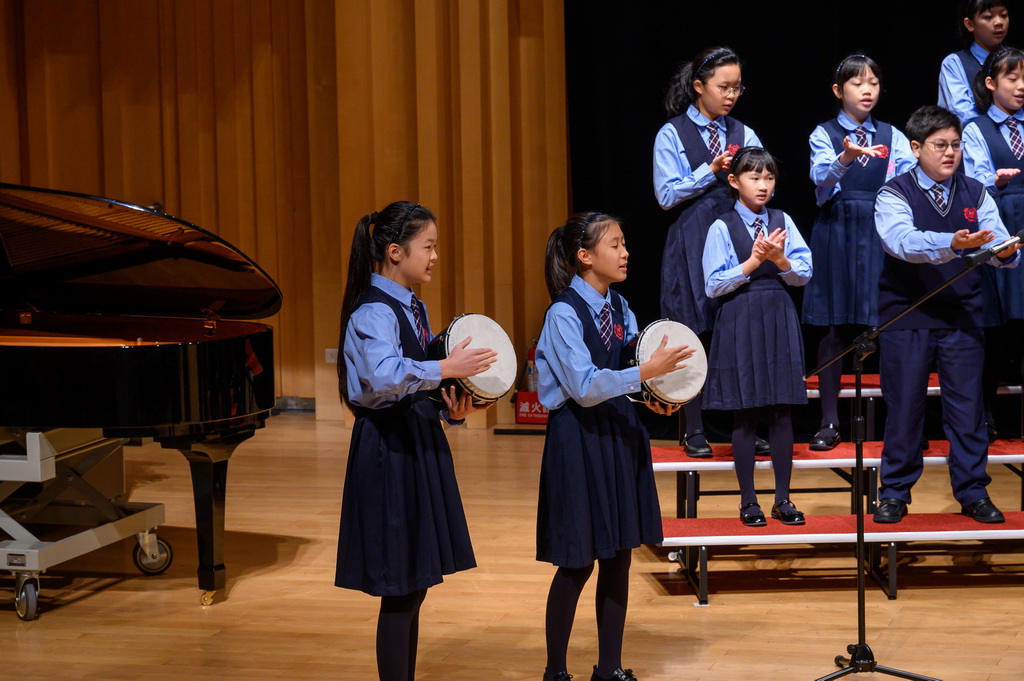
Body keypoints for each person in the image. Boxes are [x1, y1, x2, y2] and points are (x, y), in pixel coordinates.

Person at [334, 201, 497, 681]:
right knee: (399, 588)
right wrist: (445, 367)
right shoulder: (372, 310)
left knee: (416, 583)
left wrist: (451, 411)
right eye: (428, 246)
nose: (434, 256)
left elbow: (414, 386)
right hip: (388, 451)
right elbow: (383, 377)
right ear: (394, 251)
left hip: (417, 443)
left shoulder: (414, 305)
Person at [536, 212, 693, 681]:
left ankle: (609, 669)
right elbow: (585, 387)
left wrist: (653, 397)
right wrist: (644, 373)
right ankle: (555, 672)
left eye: (624, 244)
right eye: (615, 245)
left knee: (619, 556)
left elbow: (628, 371)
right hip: (578, 440)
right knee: (576, 562)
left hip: (620, 434)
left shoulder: (621, 308)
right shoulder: (563, 314)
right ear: (584, 256)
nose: (626, 253)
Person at [872, 106, 1021, 525]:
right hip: (908, 314)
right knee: (905, 410)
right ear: (916, 148)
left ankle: (973, 491)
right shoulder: (893, 193)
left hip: (963, 315)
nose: (950, 153)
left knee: (968, 411)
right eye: (940, 145)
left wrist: (1004, 253)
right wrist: (951, 243)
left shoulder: (975, 191)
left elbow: (995, 242)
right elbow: (901, 241)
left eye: (955, 145)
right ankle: (894, 492)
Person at [654, 46, 765, 458]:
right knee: (691, 330)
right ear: (699, 86)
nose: (731, 95)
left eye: (737, 87)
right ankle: (694, 428)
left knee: (738, 334)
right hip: (692, 238)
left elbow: (761, 179)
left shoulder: (744, 133)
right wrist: (711, 170)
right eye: (724, 87)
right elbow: (666, 195)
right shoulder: (672, 133)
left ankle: (746, 428)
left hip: (735, 236)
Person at [803, 54, 916, 450]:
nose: (867, 90)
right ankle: (829, 421)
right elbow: (820, 178)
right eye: (857, 83)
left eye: (873, 83)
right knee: (834, 325)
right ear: (838, 90)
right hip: (837, 229)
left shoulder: (891, 134)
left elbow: (906, 178)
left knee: (886, 324)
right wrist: (847, 157)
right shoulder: (824, 133)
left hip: (881, 228)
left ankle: (900, 423)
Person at [702, 147, 813, 527]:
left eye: (769, 177)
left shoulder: (783, 220)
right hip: (740, 316)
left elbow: (803, 273)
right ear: (735, 181)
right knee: (745, 411)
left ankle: (783, 498)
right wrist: (753, 261)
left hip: (777, 313)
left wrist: (780, 260)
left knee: (782, 410)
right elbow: (713, 285)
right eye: (754, 177)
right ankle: (748, 500)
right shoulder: (721, 226)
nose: (763, 185)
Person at [963, 46, 1024, 439]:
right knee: (994, 325)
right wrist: (995, 181)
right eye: (1012, 78)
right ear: (991, 82)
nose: (1021, 86)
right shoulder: (976, 129)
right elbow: (974, 181)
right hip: (999, 222)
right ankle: (984, 411)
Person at [938, 0, 1010, 125]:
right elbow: (962, 115)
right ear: (970, 24)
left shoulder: (1018, 61)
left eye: (1003, 15)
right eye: (988, 17)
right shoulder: (955, 63)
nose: (999, 22)